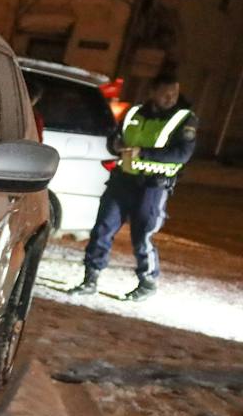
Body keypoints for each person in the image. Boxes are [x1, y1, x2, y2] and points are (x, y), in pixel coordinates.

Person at [68, 73, 198, 301]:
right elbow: (114, 137)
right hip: (122, 180)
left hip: (153, 185)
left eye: (174, 94)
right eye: (166, 93)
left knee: (142, 235)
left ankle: (147, 281)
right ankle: (90, 278)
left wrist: (143, 152)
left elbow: (182, 154)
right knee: (102, 229)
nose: (171, 98)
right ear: (152, 92)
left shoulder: (184, 119)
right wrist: (116, 145)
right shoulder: (134, 113)